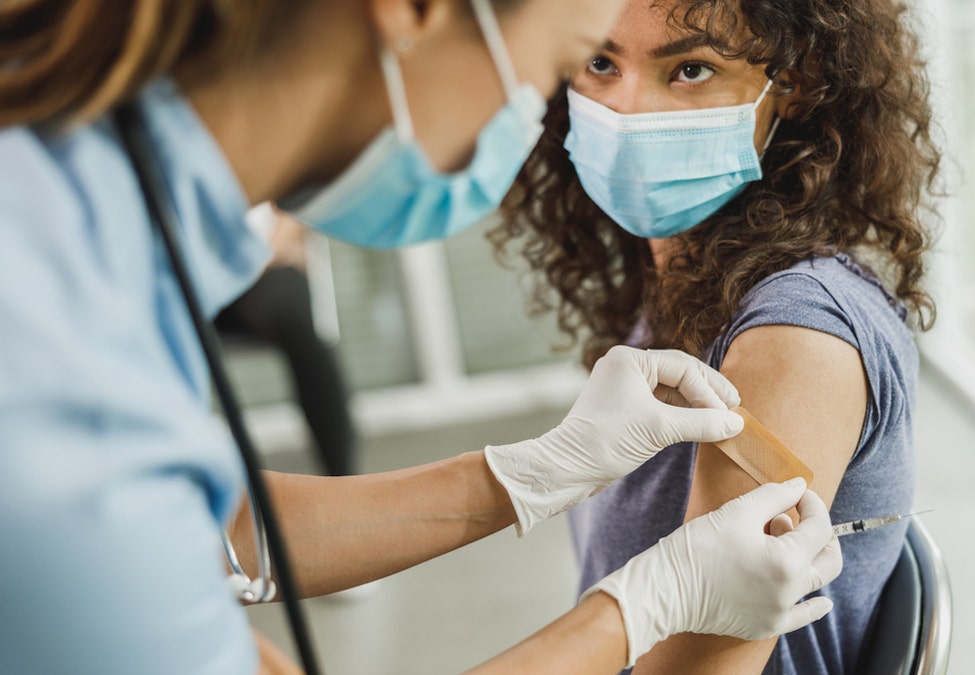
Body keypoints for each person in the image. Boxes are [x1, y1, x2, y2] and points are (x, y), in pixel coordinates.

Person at [0, 1, 846, 674]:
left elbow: (200, 535)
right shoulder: (54, 370)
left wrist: (525, 475)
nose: (541, 121)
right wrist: (640, 608)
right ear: (412, 9)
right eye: (570, 63)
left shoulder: (74, 208)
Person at [494, 0, 941, 673]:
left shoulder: (794, 334)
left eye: (691, 68)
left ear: (795, 78)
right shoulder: (678, 289)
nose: (629, 109)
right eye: (599, 62)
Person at [216, 209, 358, 477]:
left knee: (295, 315)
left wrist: (263, 255)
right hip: (193, 279)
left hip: (266, 268)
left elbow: (296, 212)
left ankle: (342, 479)